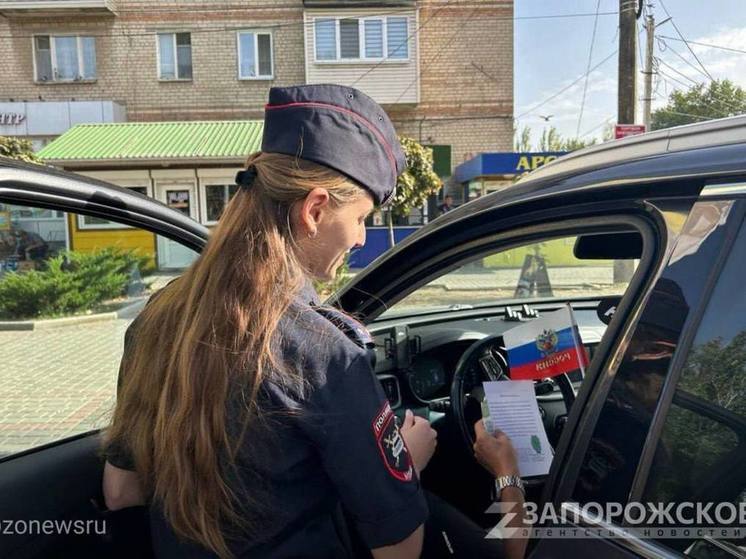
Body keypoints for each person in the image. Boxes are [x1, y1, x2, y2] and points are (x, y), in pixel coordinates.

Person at [102, 84, 524, 558]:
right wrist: (403, 463)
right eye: (362, 217)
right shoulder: (323, 353)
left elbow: (122, 491)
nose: (362, 239)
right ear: (315, 209)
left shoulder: (155, 319)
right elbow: (400, 551)